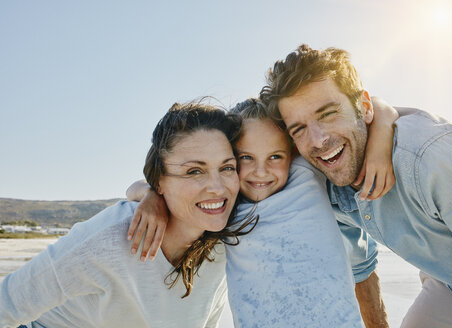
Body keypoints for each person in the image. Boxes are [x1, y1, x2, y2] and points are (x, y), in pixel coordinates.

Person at [259, 44, 452, 328]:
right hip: (449, 280)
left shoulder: (432, 161)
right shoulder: (319, 178)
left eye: (328, 113)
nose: (318, 140)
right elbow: (360, 266)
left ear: (365, 107)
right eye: (299, 129)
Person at [126, 97, 398, 327]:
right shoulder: (226, 208)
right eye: (246, 158)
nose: (261, 172)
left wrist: (383, 133)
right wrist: (153, 196)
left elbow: (373, 106)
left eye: (275, 156)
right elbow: (145, 186)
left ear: (290, 153)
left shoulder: (305, 172)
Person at [0, 102, 255, 328]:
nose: (218, 187)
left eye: (227, 167)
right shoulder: (111, 237)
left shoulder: (225, 242)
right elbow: (6, 304)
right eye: (194, 172)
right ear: (159, 182)